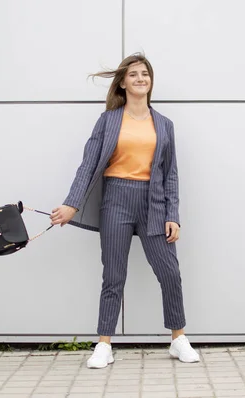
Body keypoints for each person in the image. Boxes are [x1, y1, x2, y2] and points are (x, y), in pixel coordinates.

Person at [50, 53, 199, 369]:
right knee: (113, 276)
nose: (140, 79)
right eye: (133, 74)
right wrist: (70, 205)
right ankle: (104, 344)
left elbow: (171, 173)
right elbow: (88, 164)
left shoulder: (165, 125)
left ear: (150, 81)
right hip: (115, 200)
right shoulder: (108, 121)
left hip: (153, 203)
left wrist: (173, 215)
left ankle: (178, 339)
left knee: (169, 272)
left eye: (145, 74)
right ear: (122, 82)